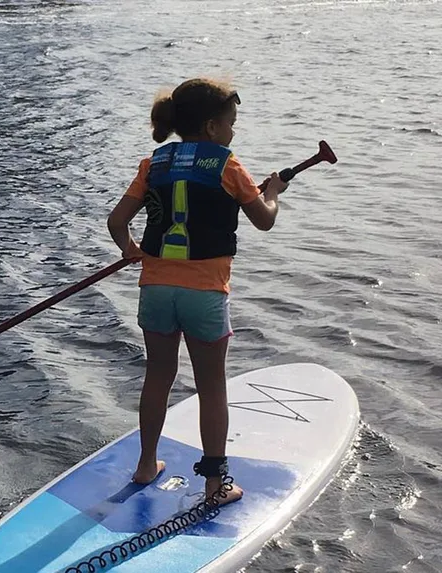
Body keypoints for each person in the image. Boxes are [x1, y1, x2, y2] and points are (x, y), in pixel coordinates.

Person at [106, 78, 286, 505]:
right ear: (210, 127)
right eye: (230, 123)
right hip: (204, 294)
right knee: (212, 387)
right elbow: (264, 220)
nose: (233, 132)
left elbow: (117, 222)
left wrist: (131, 250)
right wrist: (273, 193)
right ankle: (215, 485)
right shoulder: (228, 167)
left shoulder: (153, 164)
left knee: (158, 376)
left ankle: (146, 465)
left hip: (156, 289)